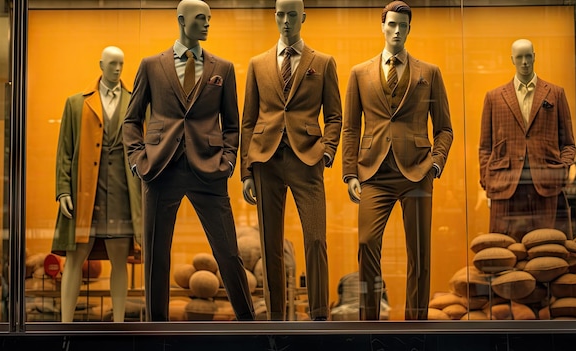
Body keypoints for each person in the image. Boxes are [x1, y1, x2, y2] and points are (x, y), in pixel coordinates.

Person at [123, 0, 255, 322]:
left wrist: (227, 161)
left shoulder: (222, 69)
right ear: (182, 21)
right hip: (159, 169)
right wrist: (138, 161)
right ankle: (157, 332)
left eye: (209, 18)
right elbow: (131, 120)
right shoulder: (151, 66)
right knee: (156, 256)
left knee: (228, 253)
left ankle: (251, 327)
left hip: (209, 170)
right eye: (201, 18)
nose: (208, 24)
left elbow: (232, 125)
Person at [341, 1, 453, 320]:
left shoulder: (429, 73)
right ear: (382, 26)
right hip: (374, 172)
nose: (396, 31)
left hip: (417, 172)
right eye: (391, 24)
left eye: (402, 25)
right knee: (367, 245)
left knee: (419, 253)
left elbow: (444, 127)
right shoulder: (360, 73)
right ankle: (369, 325)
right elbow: (350, 128)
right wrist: (350, 172)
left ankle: (414, 327)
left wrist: (436, 162)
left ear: (409, 29)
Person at [240, 0, 342, 321]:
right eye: (281, 15)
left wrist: (327, 150)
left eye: (292, 15)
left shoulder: (323, 63)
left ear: (303, 18)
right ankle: (275, 318)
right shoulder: (257, 64)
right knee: (270, 243)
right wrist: (246, 170)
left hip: (307, 158)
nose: (286, 21)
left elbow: (336, 116)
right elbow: (248, 120)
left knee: (315, 238)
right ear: (275, 17)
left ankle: (319, 315)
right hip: (265, 159)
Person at [52, 46, 142, 323]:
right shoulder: (76, 103)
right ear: (101, 65)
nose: (118, 69)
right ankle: (65, 326)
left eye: (122, 64)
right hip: (85, 194)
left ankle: (118, 325)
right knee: (74, 259)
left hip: (122, 194)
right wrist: (64, 190)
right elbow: (64, 152)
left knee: (119, 262)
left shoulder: (136, 101)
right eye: (112, 64)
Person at [479, 39, 576, 242]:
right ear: (512, 60)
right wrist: (488, 181)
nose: (524, 62)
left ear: (535, 57)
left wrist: (562, 170)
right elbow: (485, 147)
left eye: (528, 56)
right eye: (519, 57)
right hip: (506, 184)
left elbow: (568, 143)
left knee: (550, 246)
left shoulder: (555, 94)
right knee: (505, 250)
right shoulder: (494, 97)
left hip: (546, 181)